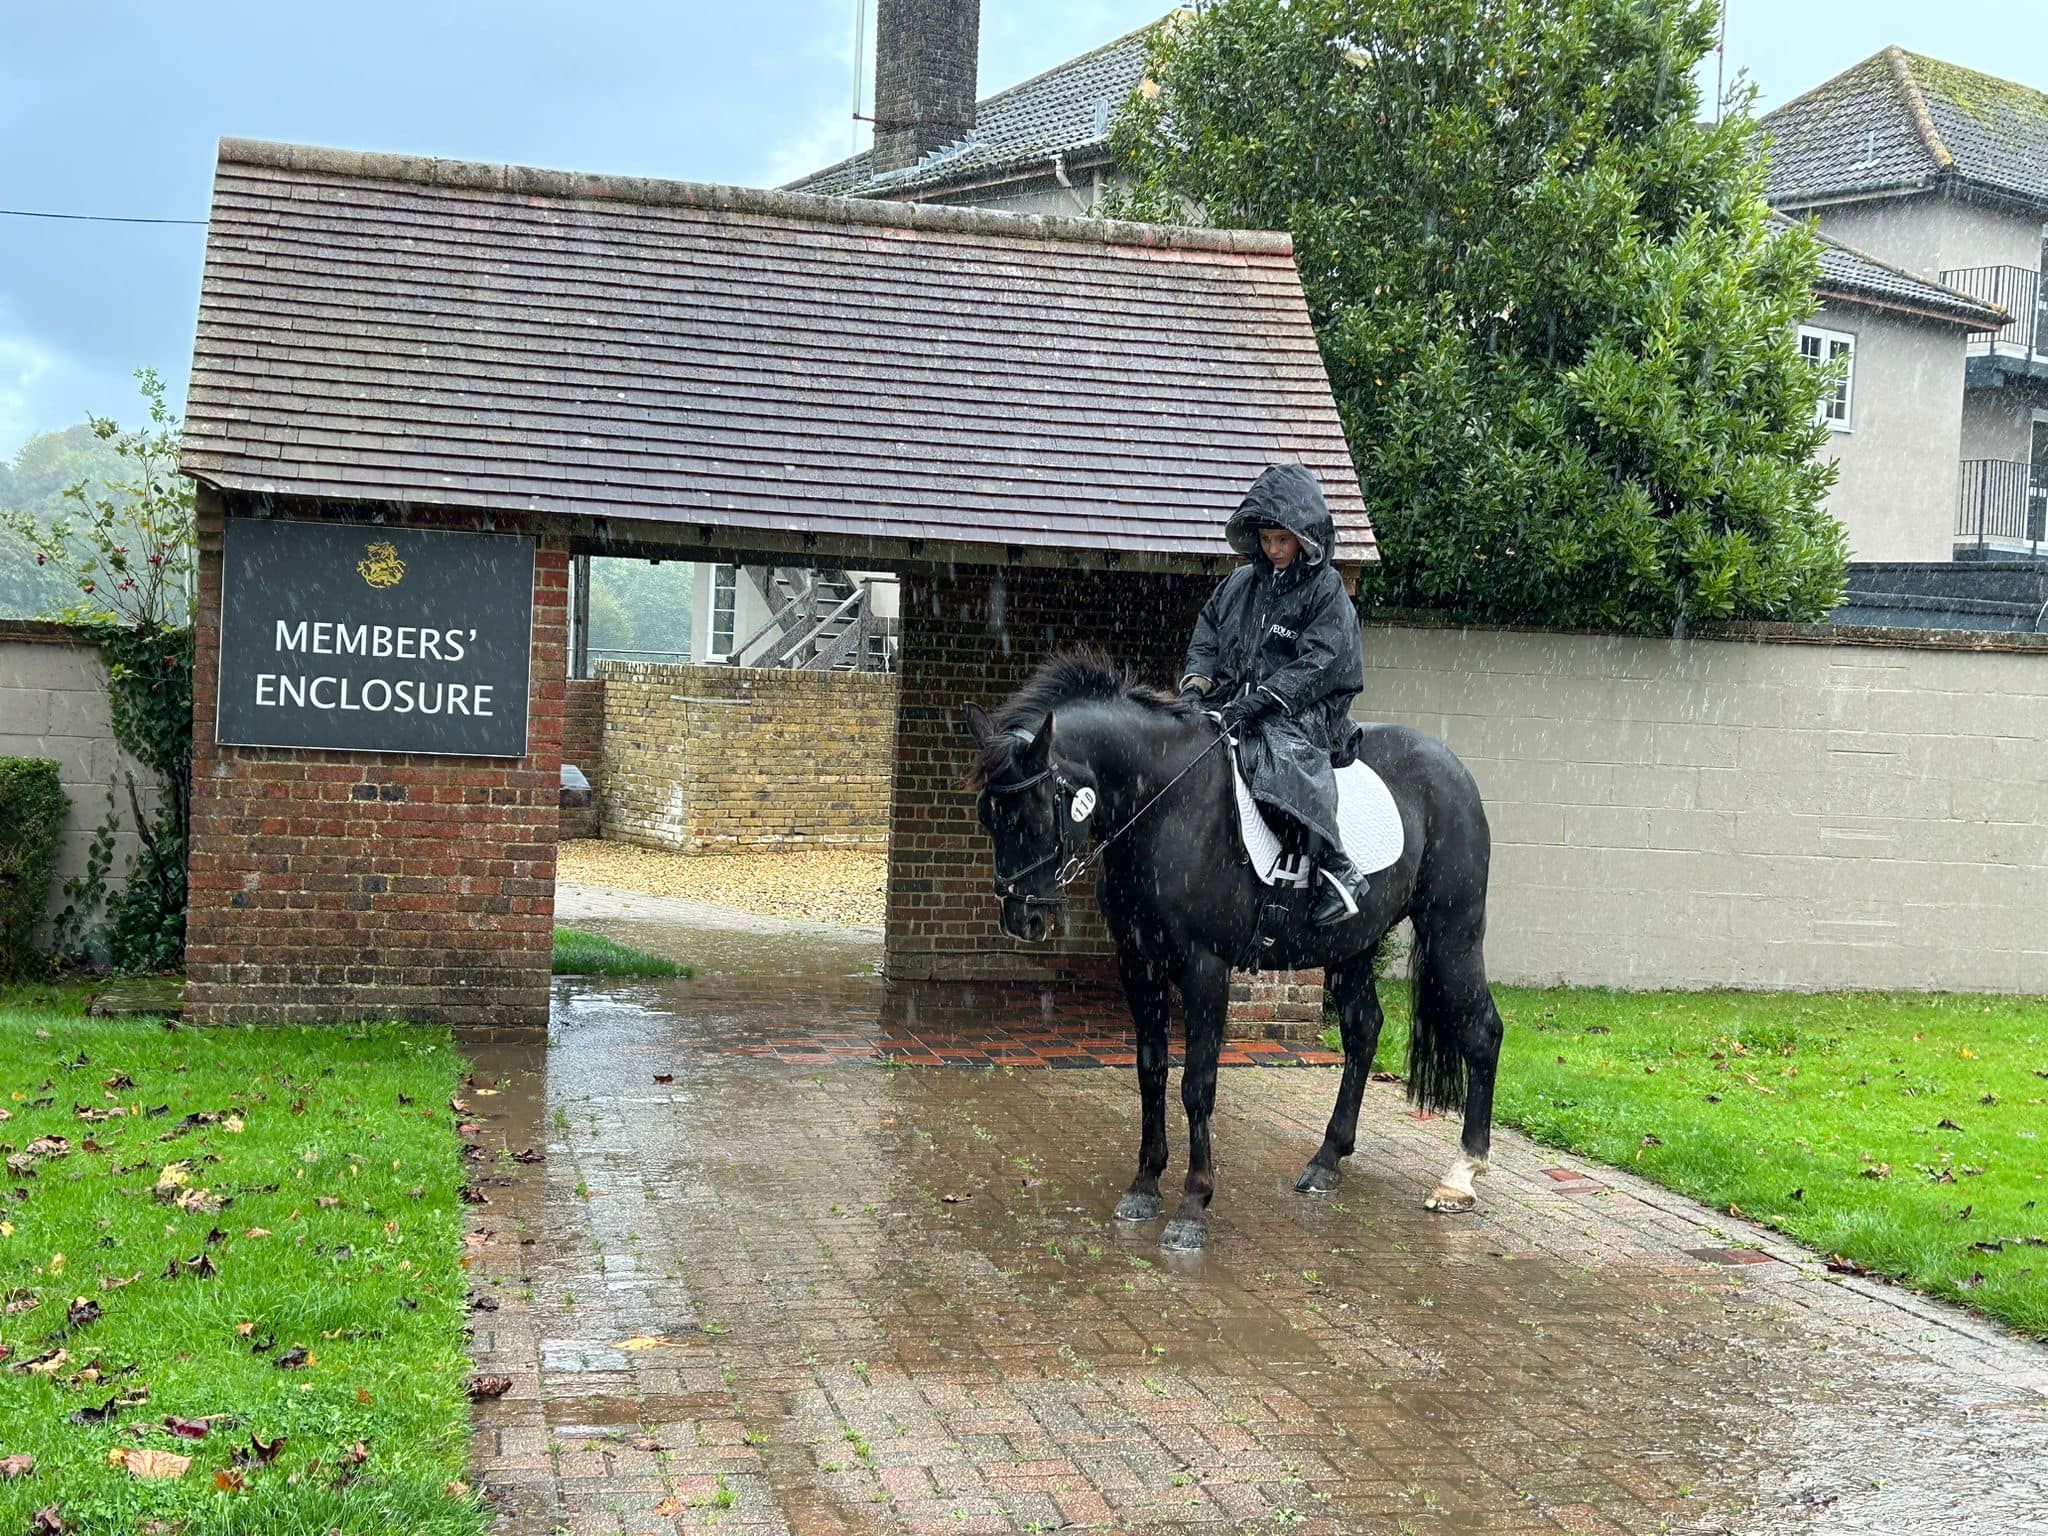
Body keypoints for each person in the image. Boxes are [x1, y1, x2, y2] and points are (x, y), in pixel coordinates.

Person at [1179, 463, 1368, 926]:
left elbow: (1321, 660)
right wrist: (1198, 684)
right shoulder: (1240, 585)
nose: (1274, 549)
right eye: (1266, 539)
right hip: (1235, 705)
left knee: (1276, 757)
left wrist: (1263, 700)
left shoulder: (1325, 592)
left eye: (1282, 540)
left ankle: (1334, 866)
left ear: (1305, 538)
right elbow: (1208, 632)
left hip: (1305, 709)